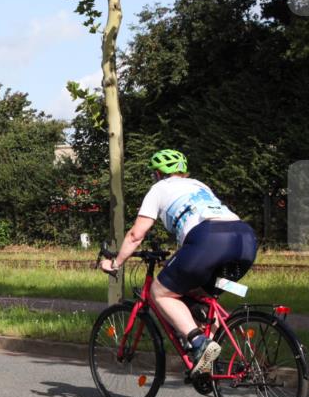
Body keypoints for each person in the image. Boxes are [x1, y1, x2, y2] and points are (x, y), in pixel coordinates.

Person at [98, 150, 257, 376]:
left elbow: (136, 234)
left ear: (157, 173)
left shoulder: (159, 189)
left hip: (209, 239)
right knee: (200, 295)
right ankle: (207, 362)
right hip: (245, 239)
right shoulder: (200, 185)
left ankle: (199, 343)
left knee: (160, 292)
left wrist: (116, 262)